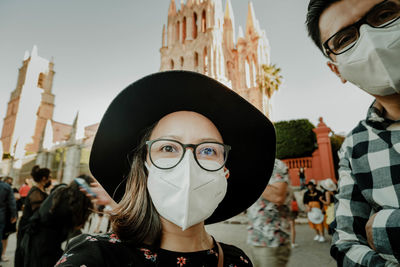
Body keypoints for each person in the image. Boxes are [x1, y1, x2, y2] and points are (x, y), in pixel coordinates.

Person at [55, 71, 276, 266]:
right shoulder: (96, 256)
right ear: (146, 166)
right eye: (169, 147)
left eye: (208, 151)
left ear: (224, 174)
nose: (188, 165)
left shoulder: (237, 261)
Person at [306, 0, 400, 265]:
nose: (371, 39)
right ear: (336, 69)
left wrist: (383, 226)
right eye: (345, 38)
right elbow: (346, 244)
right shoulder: (355, 146)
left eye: (385, 15)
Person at [19, 174, 94, 267]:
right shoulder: (70, 203)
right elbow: (74, 229)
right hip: (43, 243)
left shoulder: (62, 192)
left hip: (37, 239)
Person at [247, 159, 292, 267]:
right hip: (256, 239)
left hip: (272, 242)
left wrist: (250, 177)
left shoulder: (275, 165)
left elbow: (278, 196)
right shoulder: (254, 167)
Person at [15, 165, 51, 267]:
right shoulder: (36, 192)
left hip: (32, 227)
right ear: (44, 178)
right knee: (27, 254)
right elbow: (38, 213)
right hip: (29, 227)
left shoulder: (40, 190)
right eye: (49, 176)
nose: (50, 178)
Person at [1, 177, 19, 262]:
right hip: (3, 215)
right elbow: (12, 203)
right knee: (3, 236)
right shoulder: (6, 187)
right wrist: (14, 215)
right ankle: (2, 255)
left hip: (4, 215)